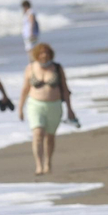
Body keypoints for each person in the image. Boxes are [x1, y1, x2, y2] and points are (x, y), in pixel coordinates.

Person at [19, 42, 74, 175]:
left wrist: (70, 109)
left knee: (50, 136)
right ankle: (39, 165)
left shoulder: (57, 67)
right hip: (35, 105)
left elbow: (65, 90)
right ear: (37, 54)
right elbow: (25, 89)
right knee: (38, 133)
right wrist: (20, 107)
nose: (44, 55)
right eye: (42, 53)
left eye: (47, 53)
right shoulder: (30, 68)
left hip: (54, 105)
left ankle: (48, 162)